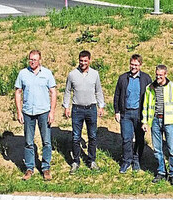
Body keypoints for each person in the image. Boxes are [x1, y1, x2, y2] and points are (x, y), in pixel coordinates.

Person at [14, 49, 57, 181]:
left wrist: (52, 111)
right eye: (31, 59)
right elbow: (18, 92)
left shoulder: (47, 73)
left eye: (35, 59)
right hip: (28, 113)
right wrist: (19, 111)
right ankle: (29, 168)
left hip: (44, 112)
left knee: (46, 141)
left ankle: (46, 168)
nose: (32, 62)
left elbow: (53, 92)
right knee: (28, 142)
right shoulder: (23, 74)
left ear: (40, 60)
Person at [63, 50, 106, 173]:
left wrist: (101, 106)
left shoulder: (95, 74)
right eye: (81, 61)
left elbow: (98, 91)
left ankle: (92, 160)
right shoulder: (72, 74)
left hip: (91, 108)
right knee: (76, 137)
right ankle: (76, 161)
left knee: (92, 136)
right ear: (78, 60)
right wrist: (66, 107)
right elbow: (67, 91)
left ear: (89, 61)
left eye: (85, 61)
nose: (83, 63)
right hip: (77, 109)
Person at [142, 64, 173, 185]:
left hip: (169, 122)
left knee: (172, 149)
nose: (158, 77)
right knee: (157, 149)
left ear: (166, 74)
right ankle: (161, 171)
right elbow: (146, 105)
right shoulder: (150, 88)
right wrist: (145, 121)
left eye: (161, 75)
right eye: (157, 75)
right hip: (155, 121)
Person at [114, 54, 152, 173]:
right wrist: (117, 111)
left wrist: (148, 116)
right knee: (126, 138)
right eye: (132, 64)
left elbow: (151, 97)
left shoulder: (146, 79)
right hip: (126, 114)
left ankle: (136, 160)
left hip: (140, 114)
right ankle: (126, 161)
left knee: (140, 139)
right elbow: (117, 95)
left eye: (136, 65)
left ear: (140, 65)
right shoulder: (123, 78)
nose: (133, 67)